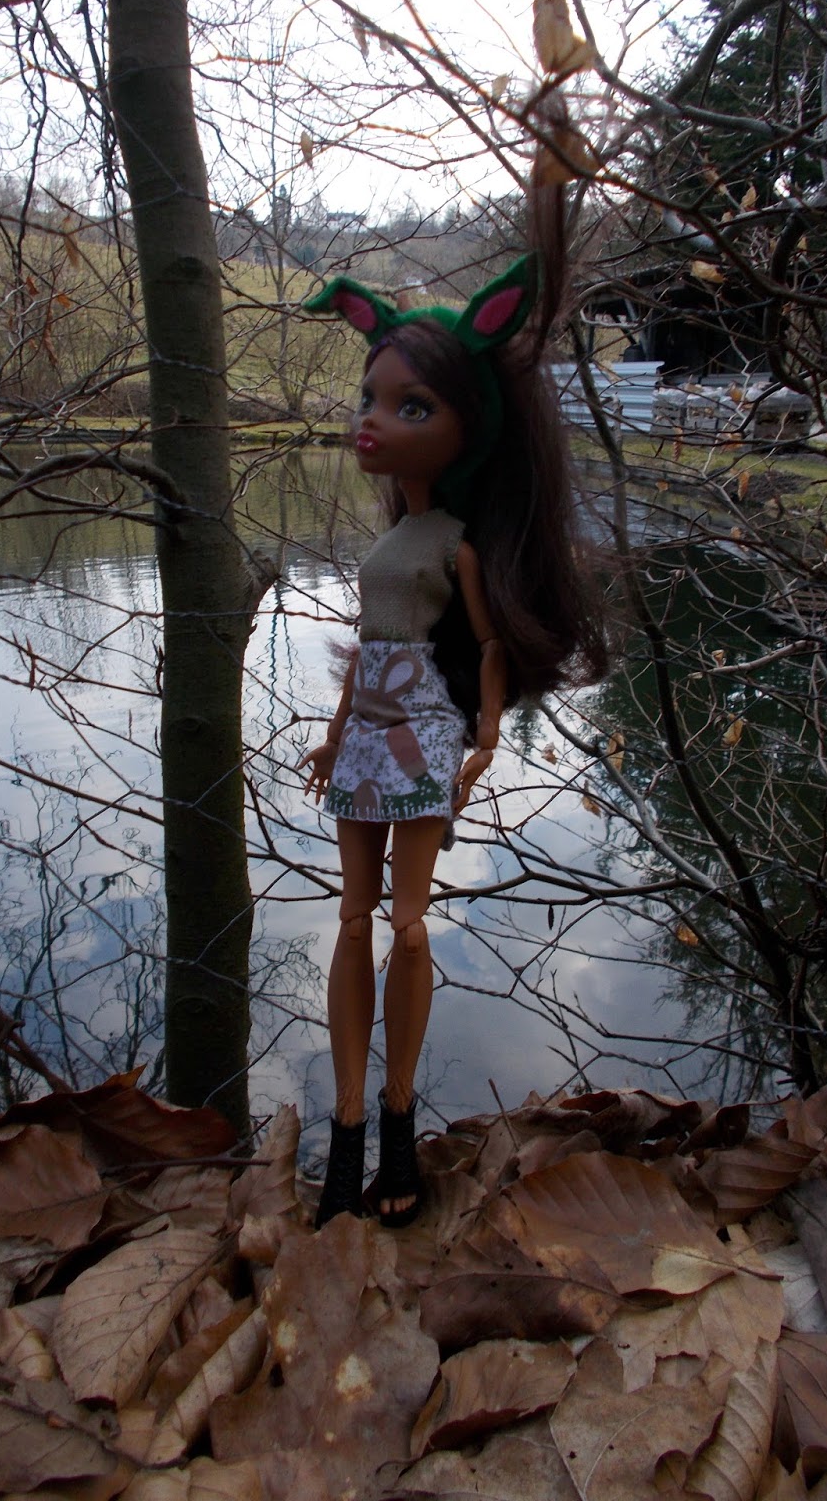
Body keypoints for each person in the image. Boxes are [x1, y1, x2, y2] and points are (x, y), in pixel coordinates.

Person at [300, 245, 607, 1229]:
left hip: (423, 733)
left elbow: (486, 643)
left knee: (407, 922)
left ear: (469, 428)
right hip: (367, 729)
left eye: (410, 406)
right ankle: (347, 1130)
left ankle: (397, 1124)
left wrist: (483, 738)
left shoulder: (457, 545)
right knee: (352, 920)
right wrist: (332, 734)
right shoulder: (392, 540)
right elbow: (367, 648)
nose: (372, 421)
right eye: (371, 400)